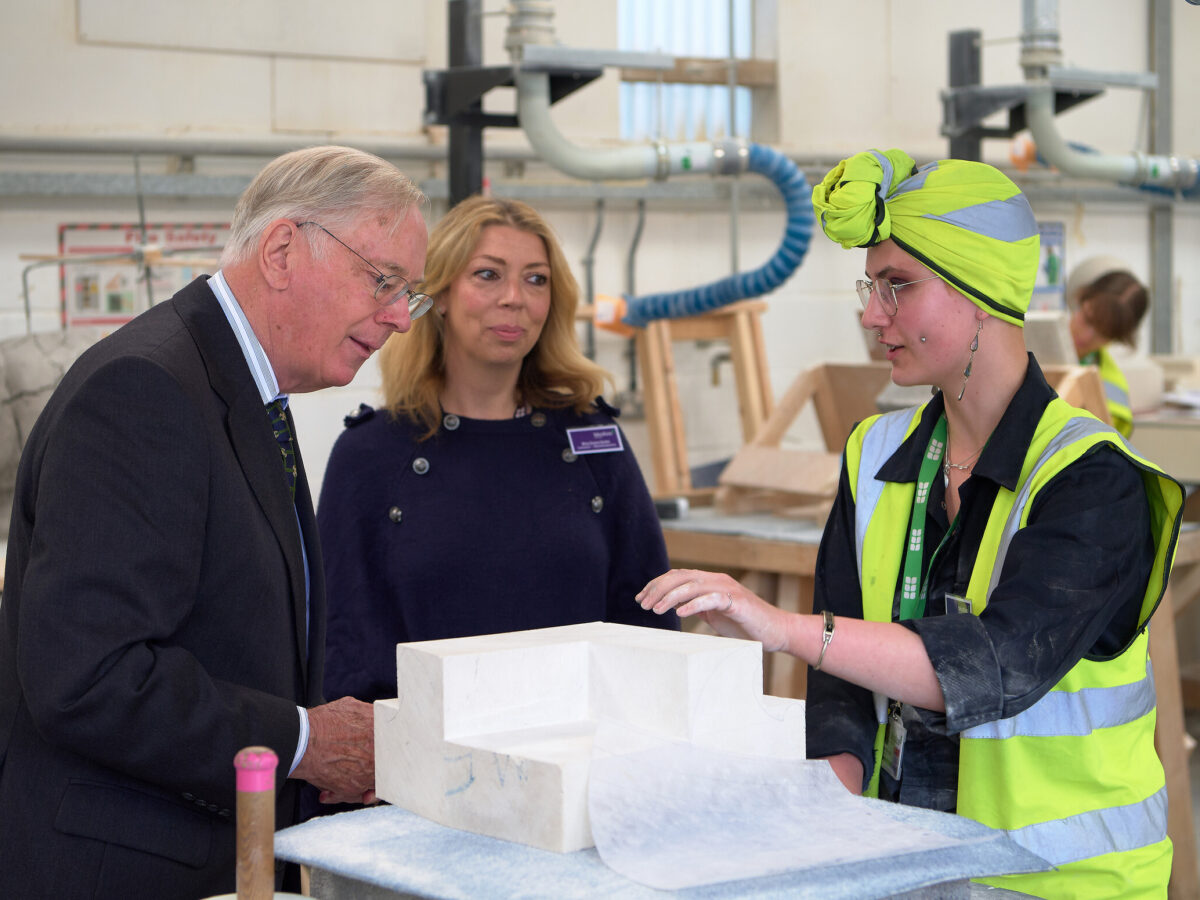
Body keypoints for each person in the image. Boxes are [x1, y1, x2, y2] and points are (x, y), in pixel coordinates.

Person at [637, 149, 1183, 898]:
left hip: (1065, 880)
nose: (870, 315)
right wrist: (830, 798)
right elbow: (842, 676)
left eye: (897, 287)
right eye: (872, 287)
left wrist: (782, 627)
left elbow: (995, 664)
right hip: (908, 871)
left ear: (979, 292)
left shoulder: (1093, 480)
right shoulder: (875, 454)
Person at [0, 145, 429, 899]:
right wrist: (302, 742)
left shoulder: (242, 387)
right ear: (284, 250)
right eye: (383, 280)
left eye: (409, 294)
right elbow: (89, 676)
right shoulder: (146, 390)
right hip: (122, 868)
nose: (398, 316)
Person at [317, 195, 677, 709]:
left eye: (536, 279)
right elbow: (340, 648)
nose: (514, 298)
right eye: (488, 275)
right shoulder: (371, 454)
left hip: (582, 755)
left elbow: (650, 620)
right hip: (425, 764)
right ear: (439, 294)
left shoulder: (596, 442)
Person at [1065, 255, 1150, 437]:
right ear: (1080, 296)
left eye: (1103, 334)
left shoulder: (1113, 394)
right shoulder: (1024, 340)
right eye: (1087, 318)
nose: (1087, 336)